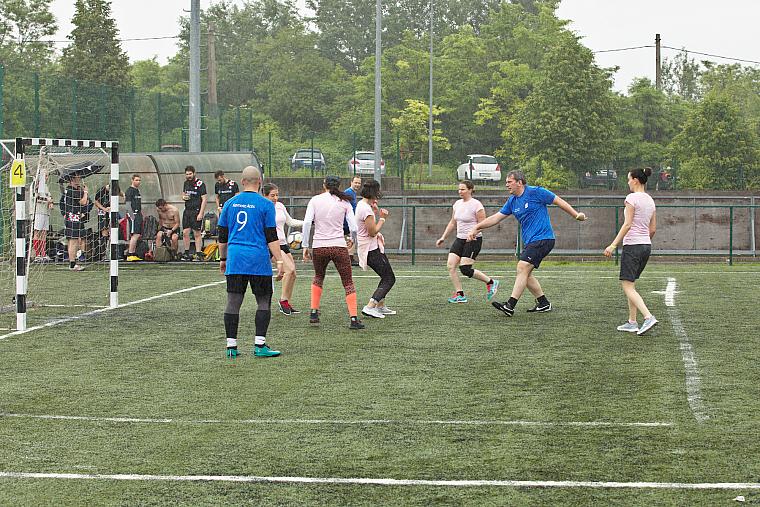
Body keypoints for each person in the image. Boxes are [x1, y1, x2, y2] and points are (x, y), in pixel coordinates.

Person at [469, 170, 587, 316]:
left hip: (543, 238)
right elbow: (496, 218)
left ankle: (510, 305)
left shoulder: (536, 192)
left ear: (519, 182)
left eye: (509, 182)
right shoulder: (512, 201)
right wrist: (476, 227)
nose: (506, 185)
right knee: (525, 273)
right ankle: (543, 303)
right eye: (506, 182)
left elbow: (558, 201)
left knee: (522, 267)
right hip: (531, 241)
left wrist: (576, 215)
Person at [218, 165, 284, 358]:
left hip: (236, 258)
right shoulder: (266, 204)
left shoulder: (230, 203)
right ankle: (260, 345)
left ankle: (231, 347)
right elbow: (271, 236)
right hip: (258, 259)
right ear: (260, 183)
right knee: (263, 301)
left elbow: (222, 236)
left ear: (242, 182)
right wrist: (279, 261)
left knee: (233, 302)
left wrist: (223, 258)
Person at [302, 175, 364, 329]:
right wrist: (352, 239)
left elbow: (307, 223)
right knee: (348, 282)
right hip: (338, 245)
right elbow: (354, 227)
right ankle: (354, 319)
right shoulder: (345, 202)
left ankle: (314, 312)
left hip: (319, 246)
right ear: (339, 186)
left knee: (318, 277)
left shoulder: (315, 200)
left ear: (324, 185)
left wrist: (305, 245)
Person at [604, 167, 658, 336]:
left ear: (635, 180)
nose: (628, 182)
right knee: (631, 284)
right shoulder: (650, 200)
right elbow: (653, 229)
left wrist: (613, 245)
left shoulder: (631, 198)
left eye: (629, 179)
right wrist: (644, 241)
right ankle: (632, 322)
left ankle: (648, 317)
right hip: (646, 246)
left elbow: (627, 224)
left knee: (627, 286)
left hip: (633, 246)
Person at [436, 180, 499, 304]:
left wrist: (473, 233)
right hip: (460, 239)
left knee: (465, 269)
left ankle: (491, 282)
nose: (460, 191)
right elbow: (452, 222)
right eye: (459, 189)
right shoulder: (457, 204)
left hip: (473, 240)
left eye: (463, 189)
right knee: (451, 265)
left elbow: (483, 224)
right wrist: (443, 237)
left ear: (470, 190)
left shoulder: (477, 205)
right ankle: (460, 294)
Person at [355, 179, 397, 319]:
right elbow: (372, 232)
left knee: (385, 276)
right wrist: (382, 218)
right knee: (389, 278)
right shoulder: (365, 209)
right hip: (370, 249)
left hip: (371, 248)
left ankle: (380, 306)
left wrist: (373, 210)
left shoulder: (363, 205)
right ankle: (370, 306)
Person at [262, 182, 304, 316]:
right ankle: (283, 301)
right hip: (272, 244)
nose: (275, 198)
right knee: (289, 270)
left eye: (277, 195)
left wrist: (308, 222)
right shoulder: (262, 208)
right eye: (272, 195)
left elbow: (290, 222)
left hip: (283, 243)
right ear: (265, 196)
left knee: (293, 273)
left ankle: (286, 302)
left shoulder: (280, 206)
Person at [61, 175, 91, 271]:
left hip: (72, 217)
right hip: (73, 217)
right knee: (73, 241)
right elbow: (83, 202)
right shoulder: (71, 190)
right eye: (78, 177)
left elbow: (86, 202)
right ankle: (72, 264)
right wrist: (85, 192)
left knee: (73, 240)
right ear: (72, 179)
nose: (80, 179)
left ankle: (72, 263)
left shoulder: (69, 190)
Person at [181, 165, 208, 261]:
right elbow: (183, 194)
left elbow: (204, 199)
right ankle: (187, 253)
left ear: (194, 173)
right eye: (187, 174)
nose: (188, 176)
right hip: (187, 210)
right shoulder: (186, 183)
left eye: (190, 174)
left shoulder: (200, 184)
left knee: (197, 233)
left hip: (196, 211)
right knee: (185, 232)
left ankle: (198, 253)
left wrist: (201, 213)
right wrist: (183, 197)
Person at [29, 162, 53, 262]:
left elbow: (49, 196)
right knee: (37, 232)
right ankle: (37, 254)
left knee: (44, 233)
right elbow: (36, 198)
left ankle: (43, 253)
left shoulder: (45, 186)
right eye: (45, 175)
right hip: (38, 211)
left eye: (47, 175)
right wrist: (47, 200)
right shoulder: (35, 184)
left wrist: (51, 202)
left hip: (45, 212)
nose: (47, 178)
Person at [343, 175, 362, 266]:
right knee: (351, 239)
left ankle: (349, 258)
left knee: (351, 239)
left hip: (349, 222)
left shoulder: (352, 193)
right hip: (346, 222)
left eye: (359, 183)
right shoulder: (348, 192)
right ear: (351, 182)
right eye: (356, 182)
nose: (357, 184)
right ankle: (349, 259)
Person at [124, 175, 143, 261]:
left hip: (138, 214)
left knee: (137, 234)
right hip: (133, 214)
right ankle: (130, 254)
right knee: (135, 234)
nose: (138, 182)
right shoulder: (129, 191)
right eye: (136, 180)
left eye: (139, 180)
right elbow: (128, 204)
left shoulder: (137, 191)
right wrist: (132, 216)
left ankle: (133, 252)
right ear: (132, 180)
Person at [93, 183, 112, 260]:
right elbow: (96, 202)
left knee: (110, 232)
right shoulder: (101, 191)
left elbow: (119, 192)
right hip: (103, 213)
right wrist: (104, 208)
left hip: (110, 213)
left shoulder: (114, 191)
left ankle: (110, 252)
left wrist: (123, 195)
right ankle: (104, 254)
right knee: (104, 231)